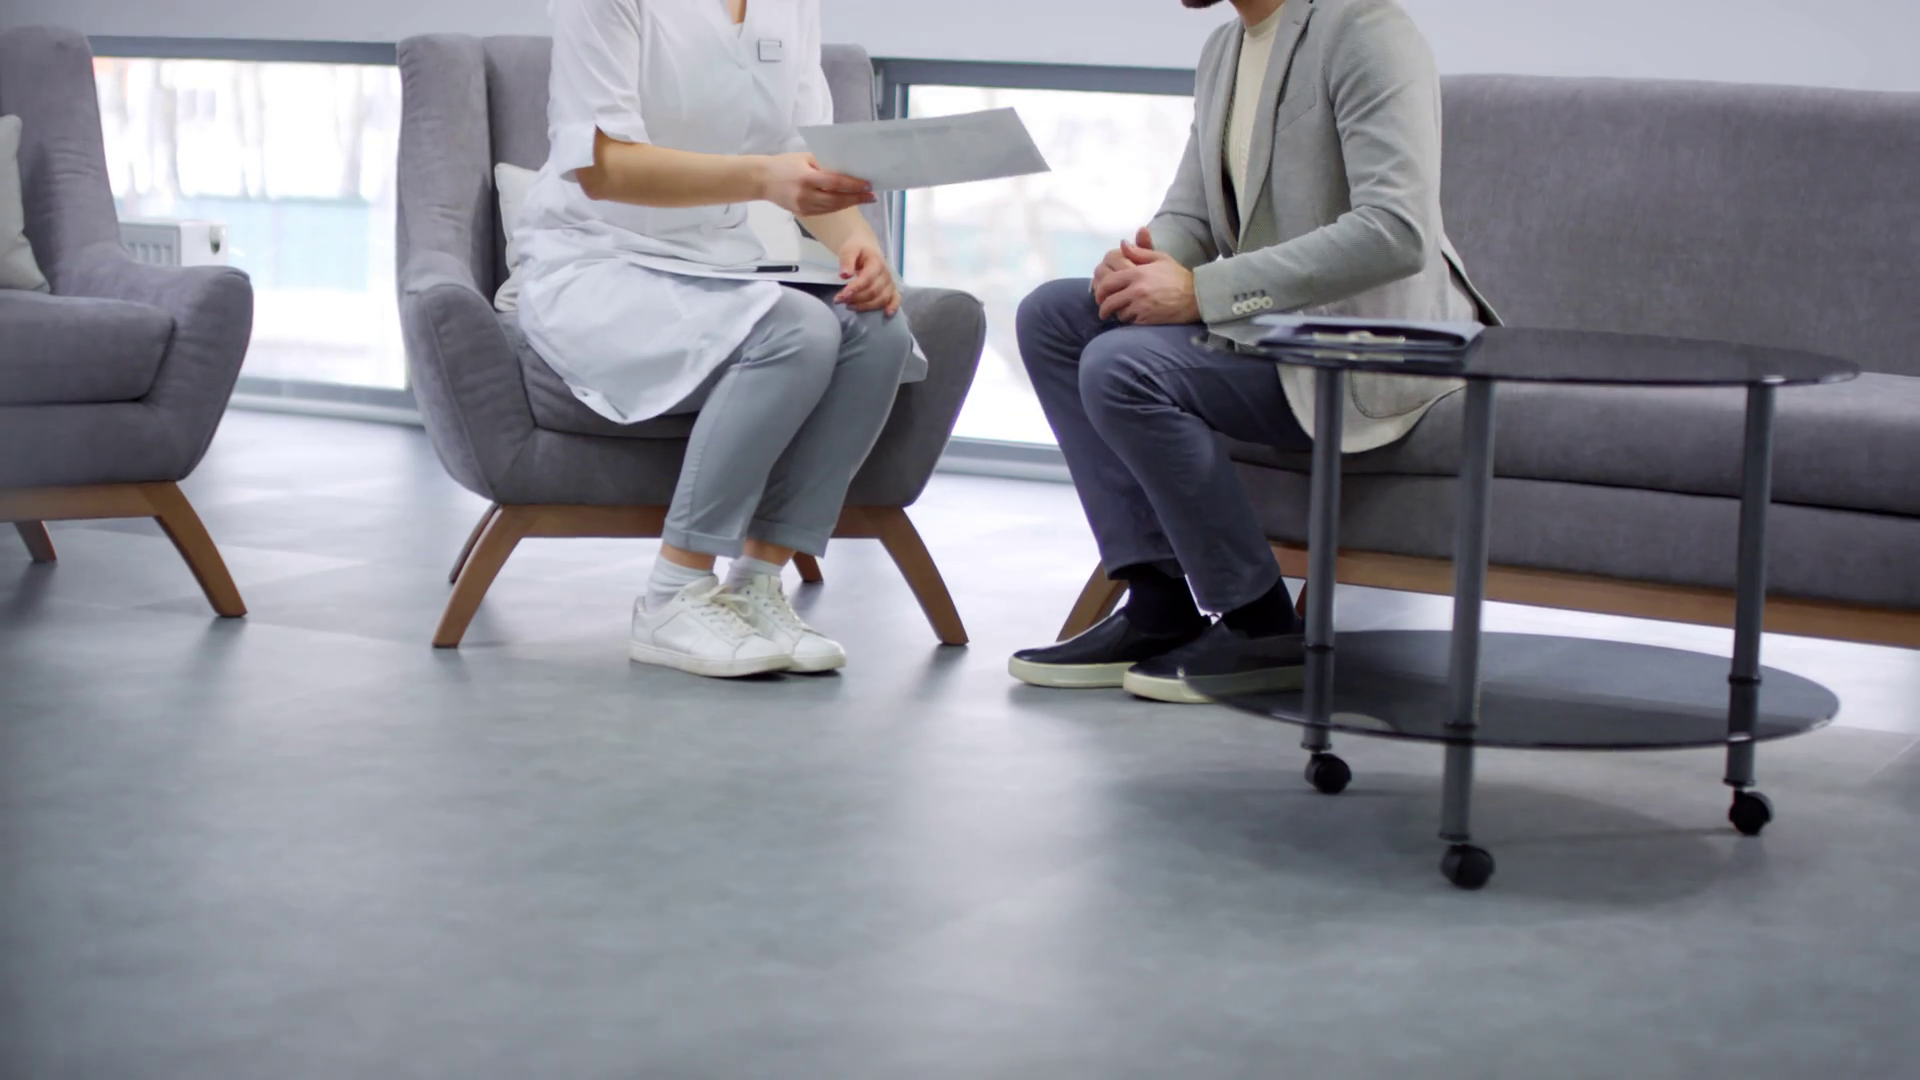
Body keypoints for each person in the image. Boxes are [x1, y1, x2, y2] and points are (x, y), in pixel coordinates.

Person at [1008, 0, 1497, 703]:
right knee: (1054, 317)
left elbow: (1395, 230)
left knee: (1121, 367)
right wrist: (1143, 266)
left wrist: (1201, 291)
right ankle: (1159, 602)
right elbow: (1192, 215)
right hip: (1272, 332)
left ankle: (1261, 625)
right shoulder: (1225, 48)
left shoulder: (1365, 28)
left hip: (1372, 349)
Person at [513, 0, 921, 679]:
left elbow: (807, 157)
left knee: (878, 329)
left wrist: (860, 247)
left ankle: (755, 587)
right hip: (596, 260)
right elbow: (602, 167)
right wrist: (763, 177)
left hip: (717, 264)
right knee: (795, 330)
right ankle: (671, 596)